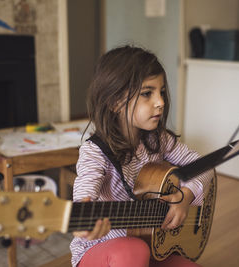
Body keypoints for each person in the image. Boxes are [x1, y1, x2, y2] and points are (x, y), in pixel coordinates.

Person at [70, 45, 214, 267]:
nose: (161, 102)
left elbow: (206, 167)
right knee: (132, 250)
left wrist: (185, 197)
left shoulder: (158, 140)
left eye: (162, 92)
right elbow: (84, 192)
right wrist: (82, 216)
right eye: (147, 93)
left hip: (150, 244)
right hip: (100, 253)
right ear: (115, 102)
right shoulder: (94, 152)